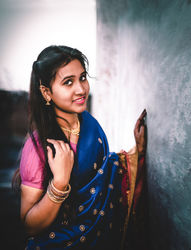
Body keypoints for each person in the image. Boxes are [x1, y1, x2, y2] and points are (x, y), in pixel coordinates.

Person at [13, 45, 147, 250]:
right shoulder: (39, 148)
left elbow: (108, 172)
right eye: (68, 82)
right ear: (46, 92)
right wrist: (59, 182)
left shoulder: (90, 125)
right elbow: (29, 225)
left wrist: (137, 152)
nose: (81, 89)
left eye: (83, 78)